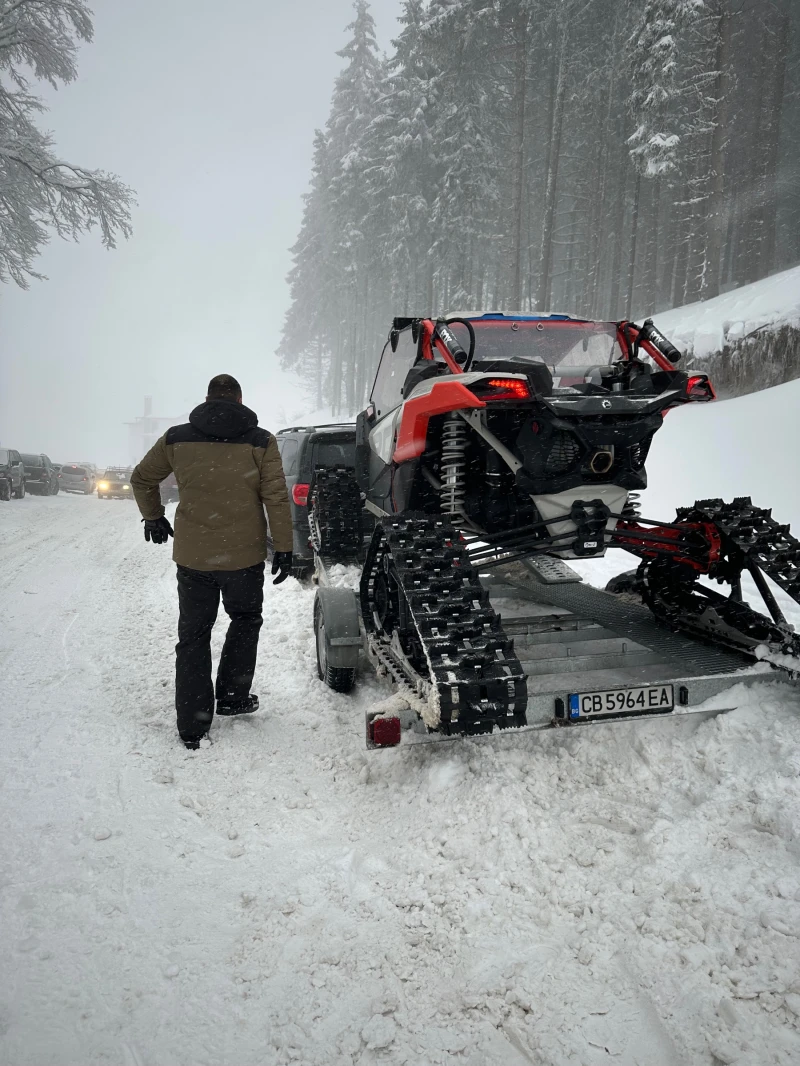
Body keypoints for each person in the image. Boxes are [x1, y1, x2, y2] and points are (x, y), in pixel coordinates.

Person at [130, 374, 293, 749]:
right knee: (245, 618)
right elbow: (276, 497)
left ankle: (192, 724)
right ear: (239, 399)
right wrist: (284, 546)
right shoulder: (260, 441)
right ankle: (233, 698)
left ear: (207, 399)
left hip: (193, 557)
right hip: (244, 555)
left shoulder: (176, 438)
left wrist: (154, 516)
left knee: (193, 634)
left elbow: (142, 479)